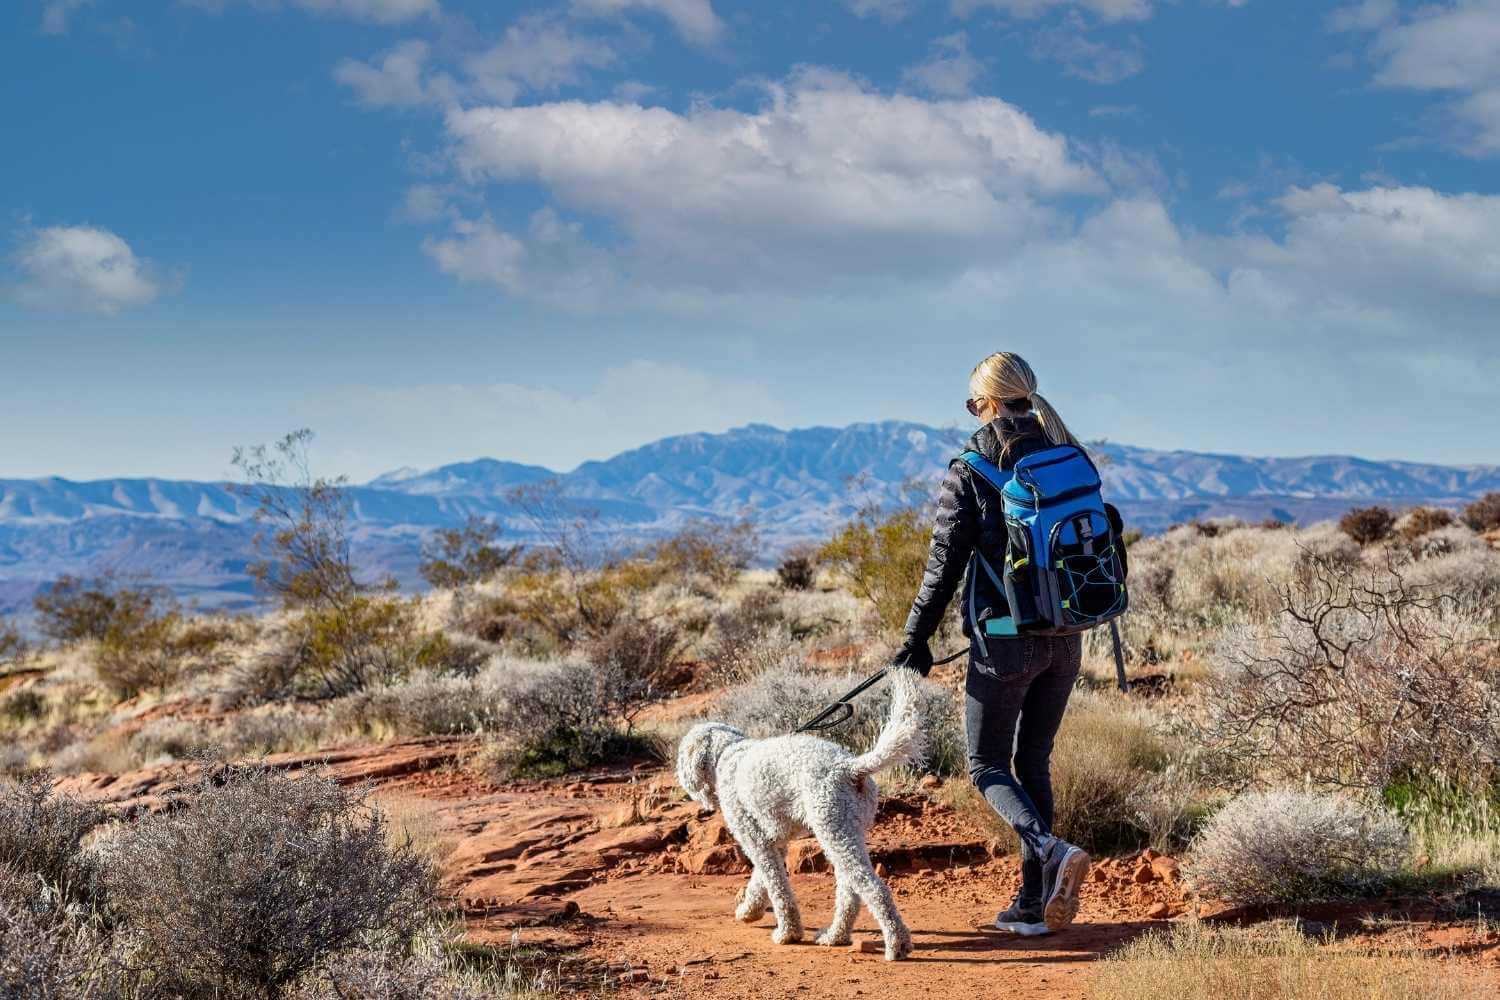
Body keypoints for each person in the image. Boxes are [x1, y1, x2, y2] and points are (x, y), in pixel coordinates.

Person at [894, 351, 1091, 937]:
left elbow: (942, 569)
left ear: (984, 403)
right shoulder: (1067, 454)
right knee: (1033, 761)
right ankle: (1033, 905)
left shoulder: (974, 468)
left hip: (1004, 639)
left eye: (972, 403)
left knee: (985, 765)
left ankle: (1050, 854)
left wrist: (914, 642)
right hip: (1066, 637)